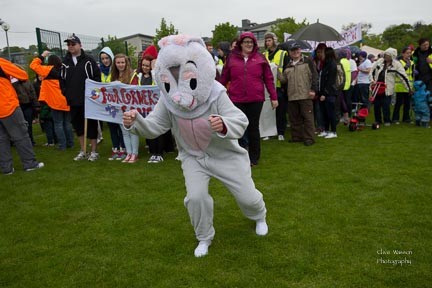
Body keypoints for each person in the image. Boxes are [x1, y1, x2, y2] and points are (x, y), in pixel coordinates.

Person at [123, 34, 268, 257]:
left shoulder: (216, 93)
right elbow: (154, 126)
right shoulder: (168, 99)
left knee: (247, 197)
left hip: (225, 155)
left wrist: (223, 125)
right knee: (195, 198)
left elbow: (240, 121)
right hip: (193, 157)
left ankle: (259, 215)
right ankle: (204, 237)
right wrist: (136, 122)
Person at [219, 32, 278, 166]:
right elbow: (224, 78)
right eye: (246, 42)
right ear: (240, 44)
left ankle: (254, 158)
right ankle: (239, 156)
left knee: (253, 128)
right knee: (238, 129)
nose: (249, 44)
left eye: (251, 42)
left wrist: (274, 97)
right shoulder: (231, 59)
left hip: (255, 99)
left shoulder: (260, 58)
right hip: (236, 98)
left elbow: (269, 79)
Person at [0, 58, 44, 175]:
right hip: (7, 105)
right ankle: (30, 163)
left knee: (1, 140)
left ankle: (6, 169)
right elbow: (23, 75)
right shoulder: (1, 63)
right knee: (21, 135)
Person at [61, 33, 101, 161]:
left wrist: (92, 94)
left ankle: (93, 151)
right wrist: (66, 93)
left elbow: (96, 78)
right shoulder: (65, 62)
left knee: (91, 126)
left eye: (73, 44)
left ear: (80, 45)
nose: (71, 46)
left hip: (88, 100)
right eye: (69, 44)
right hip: (73, 100)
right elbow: (61, 80)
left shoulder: (89, 60)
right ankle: (83, 150)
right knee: (78, 126)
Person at [30, 51, 74, 151]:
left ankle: (62, 145)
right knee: (67, 123)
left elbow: (33, 65)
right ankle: (70, 143)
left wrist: (42, 56)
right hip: (66, 100)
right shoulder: (65, 70)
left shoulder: (47, 70)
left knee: (58, 124)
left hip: (55, 101)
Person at [278, 42, 318, 146]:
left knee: (308, 117)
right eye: (293, 50)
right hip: (292, 96)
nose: (295, 52)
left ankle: (309, 138)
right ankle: (297, 137)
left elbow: (314, 76)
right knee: (294, 118)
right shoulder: (288, 65)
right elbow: (283, 80)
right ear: (289, 52)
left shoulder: (308, 61)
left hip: (305, 95)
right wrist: (276, 71)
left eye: (297, 49)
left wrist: (313, 90)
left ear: (300, 50)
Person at [131, 52, 165, 163]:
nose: (145, 67)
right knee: (147, 129)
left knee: (156, 130)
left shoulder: (155, 75)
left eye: (147, 65)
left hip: (155, 108)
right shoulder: (137, 75)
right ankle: (152, 151)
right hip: (144, 108)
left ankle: (158, 153)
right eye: (143, 65)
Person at [369, 48, 411, 126]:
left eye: (388, 55)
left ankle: (387, 120)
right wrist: (372, 81)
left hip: (387, 88)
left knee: (386, 105)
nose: (386, 57)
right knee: (377, 105)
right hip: (376, 87)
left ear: (392, 56)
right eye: (385, 55)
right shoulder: (379, 61)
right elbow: (371, 71)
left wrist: (409, 89)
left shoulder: (397, 65)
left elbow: (403, 77)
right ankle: (378, 120)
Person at [111, 53, 140, 163]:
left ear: (126, 63)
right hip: (119, 108)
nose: (120, 64)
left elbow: (136, 90)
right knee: (124, 132)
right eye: (118, 62)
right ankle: (128, 153)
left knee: (132, 131)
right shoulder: (113, 76)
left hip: (130, 107)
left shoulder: (133, 75)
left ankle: (135, 154)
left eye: (122, 62)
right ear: (115, 64)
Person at [99, 46, 126, 160]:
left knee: (121, 127)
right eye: (103, 58)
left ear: (111, 58)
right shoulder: (100, 71)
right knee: (112, 128)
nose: (105, 61)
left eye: (107, 58)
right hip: (108, 105)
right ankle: (115, 148)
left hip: (118, 104)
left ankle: (123, 148)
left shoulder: (115, 72)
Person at [263, 32, 289, 141]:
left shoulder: (283, 53)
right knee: (267, 111)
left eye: (269, 40)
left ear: (274, 40)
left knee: (280, 111)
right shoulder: (264, 54)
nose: (267, 42)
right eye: (266, 40)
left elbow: (287, 69)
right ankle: (267, 131)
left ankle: (281, 132)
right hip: (267, 88)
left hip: (279, 86)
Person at [317, 47, 338, 139]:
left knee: (330, 113)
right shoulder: (325, 64)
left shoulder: (332, 65)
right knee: (324, 113)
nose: (321, 54)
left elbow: (330, 81)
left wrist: (324, 94)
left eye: (322, 52)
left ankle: (333, 131)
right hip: (323, 92)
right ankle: (326, 130)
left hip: (329, 93)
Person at [12, 77, 38, 146]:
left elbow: (33, 93)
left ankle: (30, 140)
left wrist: (36, 104)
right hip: (19, 106)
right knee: (20, 124)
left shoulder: (27, 82)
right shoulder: (14, 83)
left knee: (28, 124)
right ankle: (22, 141)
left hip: (27, 105)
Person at [392, 47, 414, 124]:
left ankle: (406, 118)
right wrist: (406, 66)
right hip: (400, 86)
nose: (409, 54)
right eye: (407, 53)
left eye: (410, 53)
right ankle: (395, 118)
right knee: (398, 103)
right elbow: (399, 73)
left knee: (407, 104)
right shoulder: (399, 62)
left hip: (409, 86)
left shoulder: (412, 62)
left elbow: (412, 74)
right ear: (403, 54)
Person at [413, 38, 432, 119]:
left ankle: (430, 115)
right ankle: (420, 115)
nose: (426, 46)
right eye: (424, 45)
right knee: (420, 98)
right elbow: (412, 63)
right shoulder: (415, 54)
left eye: (427, 44)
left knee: (430, 97)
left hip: (430, 78)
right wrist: (413, 69)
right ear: (420, 45)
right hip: (419, 78)